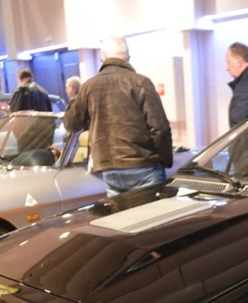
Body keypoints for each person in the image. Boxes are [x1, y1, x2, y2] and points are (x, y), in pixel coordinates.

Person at [64, 36, 172, 195]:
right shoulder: (141, 82)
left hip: (109, 168)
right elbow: (160, 128)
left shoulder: (89, 86)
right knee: (150, 211)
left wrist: (75, 97)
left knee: (120, 212)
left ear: (103, 57)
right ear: (128, 57)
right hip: (143, 165)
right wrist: (165, 160)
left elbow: (71, 124)